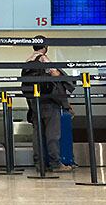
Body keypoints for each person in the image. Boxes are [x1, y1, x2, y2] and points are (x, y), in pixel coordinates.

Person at [21, 40, 72, 173]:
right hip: (49, 102)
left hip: (34, 103)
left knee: (37, 134)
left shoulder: (27, 62)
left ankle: (39, 164)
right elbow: (55, 74)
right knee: (52, 135)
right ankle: (55, 164)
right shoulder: (44, 59)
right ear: (45, 47)